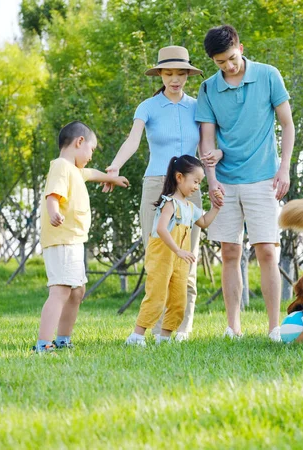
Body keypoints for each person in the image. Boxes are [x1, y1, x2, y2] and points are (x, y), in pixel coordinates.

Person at [104, 45, 222, 341]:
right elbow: (133, 141)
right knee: (158, 259)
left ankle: (182, 328)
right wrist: (114, 167)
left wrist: (212, 181)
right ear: (160, 74)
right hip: (156, 186)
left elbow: (208, 147)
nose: (174, 79)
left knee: (187, 258)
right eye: (168, 73)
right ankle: (155, 328)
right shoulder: (147, 106)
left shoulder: (198, 106)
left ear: (187, 75)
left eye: (180, 73)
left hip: (189, 188)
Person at [196, 25, 295, 342]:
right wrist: (211, 182)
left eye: (232, 58)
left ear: (241, 46)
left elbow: (287, 124)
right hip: (225, 181)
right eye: (220, 62)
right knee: (229, 253)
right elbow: (207, 140)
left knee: (267, 251)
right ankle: (233, 327)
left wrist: (284, 169)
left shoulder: (268, 75)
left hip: (263, 179)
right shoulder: (208, 89)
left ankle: (274, 328)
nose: (228, 66)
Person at [34, 121, 130, 353]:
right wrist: (54, 211)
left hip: (73, 240)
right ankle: (43, 343)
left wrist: (111, 178)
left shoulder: (74, 170)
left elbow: (89, 173)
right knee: (60, 290)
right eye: (92, 150)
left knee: (77, 291)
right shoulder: (60, 166)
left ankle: (63, 339)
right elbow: (52, 194)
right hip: (62, 239)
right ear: (79, 142)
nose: (91, 156)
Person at [125, 155, 221, 346]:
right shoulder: (169, 203)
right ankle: (137, 336)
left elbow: (203, 222)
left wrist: (216, 208)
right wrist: (177, 250)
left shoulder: (190, 207)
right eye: (195, 181)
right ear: (179, 177)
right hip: (163, 255)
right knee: (157, 295)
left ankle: (165, 337)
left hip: (179, 258)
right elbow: (161, 229)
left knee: (179, 299)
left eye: (199, 183)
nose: (196, 186)